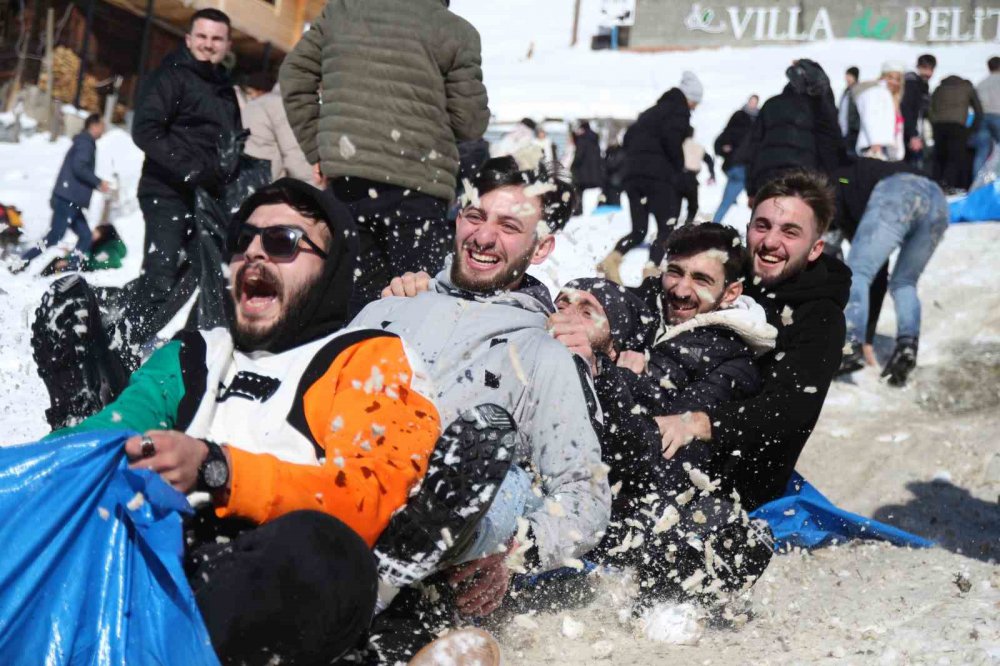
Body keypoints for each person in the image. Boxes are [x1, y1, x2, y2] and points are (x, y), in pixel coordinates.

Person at [34, 178, 518, 664]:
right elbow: (105, 433)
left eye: (282, 242)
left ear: (331, 266)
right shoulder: (192, 356)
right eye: (242, 240)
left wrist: (219, 471)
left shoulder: (367, 358)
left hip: (293, 579)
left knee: (316, 547)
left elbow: (367, 496)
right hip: (163, 570)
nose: (254, 254)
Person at [353, 157, 610, 661]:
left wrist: (515, 552)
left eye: (509, 226)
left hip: (446, 527)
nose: (483, 237)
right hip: (346, 492)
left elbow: (584, 496)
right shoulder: (386, 309)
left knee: (500, 470)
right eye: (474, 216)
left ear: (541, 248)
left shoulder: (543, 353)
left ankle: (401, 603)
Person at [652, 171, 850, 516]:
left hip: (735, 488)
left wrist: (701, 423)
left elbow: (790, 410)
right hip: (668, 435)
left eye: (790, 232)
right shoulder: (733, 273)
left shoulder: (819, 317)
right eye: (762, 226)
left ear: (815, 247)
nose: (771, 242)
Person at [280, 0, 490, 314]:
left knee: (354, 301)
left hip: (349, 183)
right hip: (420, 185)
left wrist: (319, 150)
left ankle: (355, 357)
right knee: (420, 301)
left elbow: (294, 76)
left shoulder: (342, 12)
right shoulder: (455, 31)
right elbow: (470, 122)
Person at [127, 8, 242, 347]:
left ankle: (137, 330)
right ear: (189, 40)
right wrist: (191, 166)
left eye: (216, 39)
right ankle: (126, 343)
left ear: (227, 45)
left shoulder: (224, 89)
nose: (208, 45)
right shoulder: (172, 76)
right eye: (202, 37)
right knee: (161, 272)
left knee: (193, 274)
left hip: (206, 197)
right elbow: (145, 130)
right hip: (166, 191)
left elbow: (229, 139)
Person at [835, 161, 949, 386]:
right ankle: (907, 346)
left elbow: (863, 264)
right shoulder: (857, 174)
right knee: (904, 282)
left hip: (899, 192)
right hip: (938, 200)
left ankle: (849, 342)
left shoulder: (837, 182)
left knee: (857, 272)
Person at [599, 71, 702, 283]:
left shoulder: (649, 112)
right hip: (657, 177)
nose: (694, 108)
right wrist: (677, 168)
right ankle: (651, 271)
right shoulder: (678, 112)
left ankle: (611, 260)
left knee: (639, 230)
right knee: (666, 228)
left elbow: (627, 137)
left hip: (633, 176)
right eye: (695, 103)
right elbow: (672, 141)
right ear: (690, 99)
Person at [18, 113, 110, 270]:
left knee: (86, 236)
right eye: (102, 126)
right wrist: (98, 182)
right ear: (93, 125)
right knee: (54, 237)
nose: (104, 129)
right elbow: (79, 167)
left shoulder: (85, 142)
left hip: (70, 199)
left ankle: (71, 266)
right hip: (67, 199)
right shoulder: (85, 143)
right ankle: (23, 261)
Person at [745, 59, 842, 198]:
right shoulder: (819, 109)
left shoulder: (770, 104)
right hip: (805, 179)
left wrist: (751, 188)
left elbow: (753, 147)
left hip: (766, 178)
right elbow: (831, 148)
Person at [241, 71, 313, 183]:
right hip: (267, 184)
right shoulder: (282, 106)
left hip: (249, 179)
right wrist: (315, 192)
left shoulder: (260, 104)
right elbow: (295, 156)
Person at [930, 73, 983, 192]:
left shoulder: (939, 89)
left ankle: (936, 184)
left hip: (939, 126)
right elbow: (979, 111)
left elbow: (930, 108)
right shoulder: (967, 88)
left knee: (939, 157)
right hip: (957, 126)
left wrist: (934, 123)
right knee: (955, 157)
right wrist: (971, 130)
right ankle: (950, 185)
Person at [713, 94, 758, 223]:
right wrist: (725, 149)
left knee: (759, 204)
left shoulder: (759, 120)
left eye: (755, 102)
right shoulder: (739, 116)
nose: (752, 104)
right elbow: (724, 137)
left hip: (750, 169)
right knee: (727, 202)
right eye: (751, 101)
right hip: (738, 167)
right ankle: (714, 226)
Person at [853, 61, 906, 160]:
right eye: (890, 77)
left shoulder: (893, 98)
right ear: (883, 77)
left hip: (887, 150)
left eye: (897, 79)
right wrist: (875, 143)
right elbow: (869, 116)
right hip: (877, 149)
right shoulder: (877, 92)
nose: (894, 82)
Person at [901, 54, 936, 167]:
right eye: (924, 68)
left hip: (916, 133)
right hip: (909, 134)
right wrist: (912, 135)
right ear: (918, 67)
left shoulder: (922, 86)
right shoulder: (911, 84)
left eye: (931, 69)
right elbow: (907, 109)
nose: (928, 73)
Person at [677, 127, 715, 225]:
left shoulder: (677, 145)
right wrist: (712, 174)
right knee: (693, 206)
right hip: (691, 179)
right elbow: (709, 160)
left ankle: (670, 228)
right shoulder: (698, 147)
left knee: (675, 207)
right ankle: (687, 225)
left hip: (677, 178)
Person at [973, 56, 1000, 179]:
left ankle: (977, 182)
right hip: (998, 116)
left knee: (982, 152)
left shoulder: (981, 84)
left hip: (982, 118)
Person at [570, 119, 604, 210]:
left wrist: (572, 166)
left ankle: (577, 210)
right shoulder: (594, 139)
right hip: (593, 174)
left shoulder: (582, 140)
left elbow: (578, 156)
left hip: (581, 173)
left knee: (577, 191)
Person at [838, 66, 861, 157]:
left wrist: (855, 124)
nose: (846, 78)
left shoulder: (858, 90)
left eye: (849, 76)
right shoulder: (846, 91)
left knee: (852, 154)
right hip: (844, 130)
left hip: (853, 129)